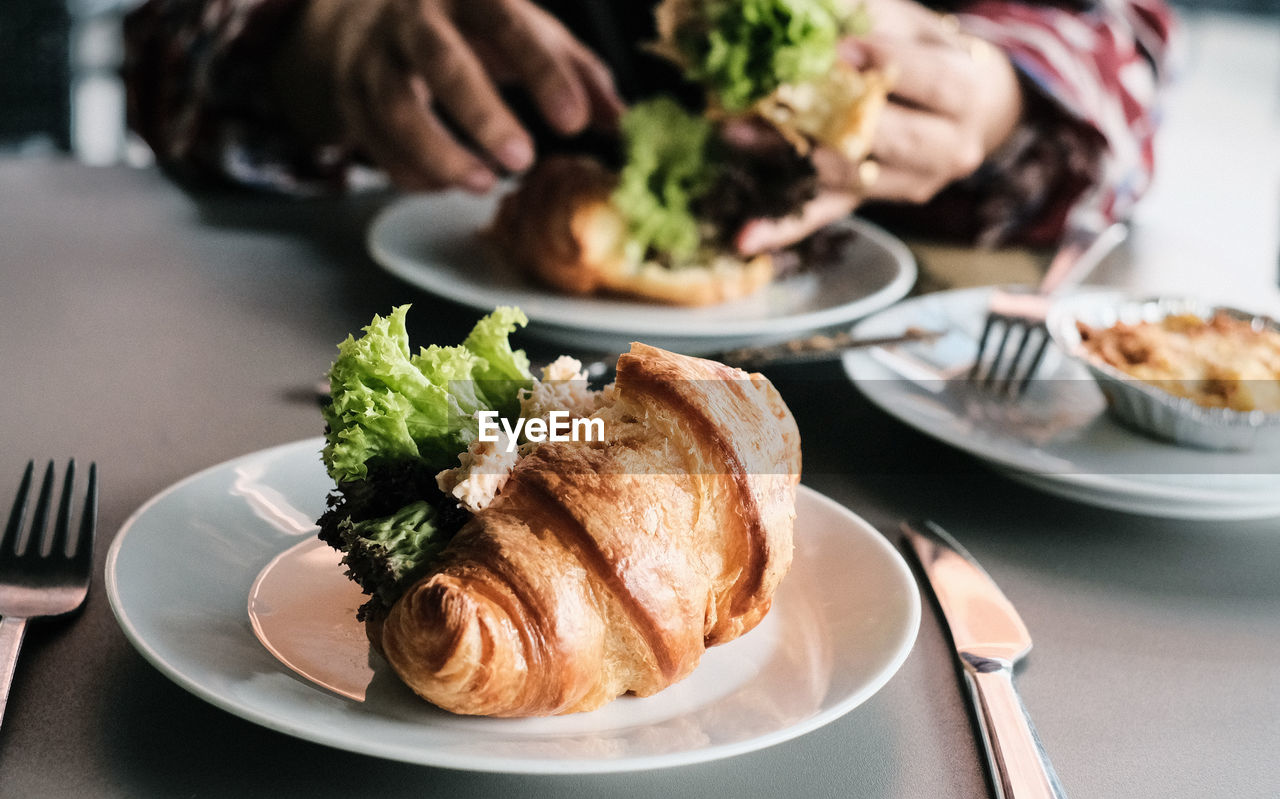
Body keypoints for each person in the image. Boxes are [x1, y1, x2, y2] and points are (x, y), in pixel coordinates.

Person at [123, 0, 1177, 249]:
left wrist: (995, 99)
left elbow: (1120, 54)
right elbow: (168, 53)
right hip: (436, 359)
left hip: (905, 420)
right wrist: (329, 44)